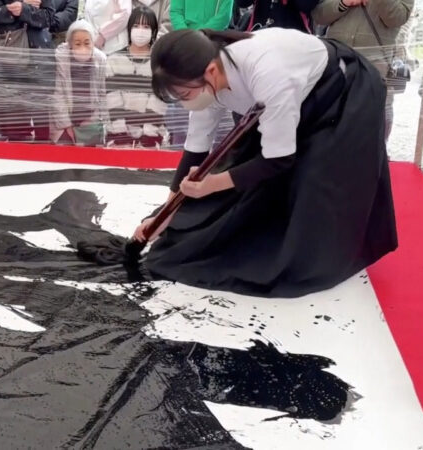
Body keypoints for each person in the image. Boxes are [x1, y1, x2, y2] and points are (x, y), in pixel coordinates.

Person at [133, 28, 398, 297]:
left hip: (343, 92)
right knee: (245, 191)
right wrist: (166, 213)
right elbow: (196, 147)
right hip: (293, 97)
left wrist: (214, 184)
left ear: (211, 71)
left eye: (184, 95)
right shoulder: (206, 78)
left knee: (311, 186)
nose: (184, 102)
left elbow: (279, 160)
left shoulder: (267, 71)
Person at [313, 0, 413, 142]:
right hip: (337, 57)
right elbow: (319, 16)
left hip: (376, 61)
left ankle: (376, 153)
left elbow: (397, 18)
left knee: (378, 110)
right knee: (332, 108)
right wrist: (343, 3)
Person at [167, 0, 233, 150]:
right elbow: (175, 12)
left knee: (213, 102)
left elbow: (223, 17)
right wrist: (188, 37)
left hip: (213, 46)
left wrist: (199, 36)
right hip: (184, 46)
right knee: (183, 101)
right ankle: (181, 150)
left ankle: (216, 155)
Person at [0, 0, 56, 142]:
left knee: (41, 120)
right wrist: (20, 6)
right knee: (16, 124)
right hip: (10, 58)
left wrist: (24, 9)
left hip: (39, 57)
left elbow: (49, 17)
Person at [105, 6, 168, 148]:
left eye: (146, 27)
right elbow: (111, 98)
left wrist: (148, 133)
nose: (140, 30)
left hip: (151, 136)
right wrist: (120, 132)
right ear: (129, 29)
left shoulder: (159, 63)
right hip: (118, 136)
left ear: (153, 31)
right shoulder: (114, 60)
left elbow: (159, 101)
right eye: (136, 25)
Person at [50, 20, 108, 145]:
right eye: (78, 43)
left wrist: (96, 121)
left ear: (93, 43)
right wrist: (67, 124)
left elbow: (102, 95)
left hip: (91, 120)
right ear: (70, 44)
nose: (83, 48)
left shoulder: (100, 59)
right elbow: (57, 96)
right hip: (65, 119)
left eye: (87, 43)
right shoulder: (61, 58)